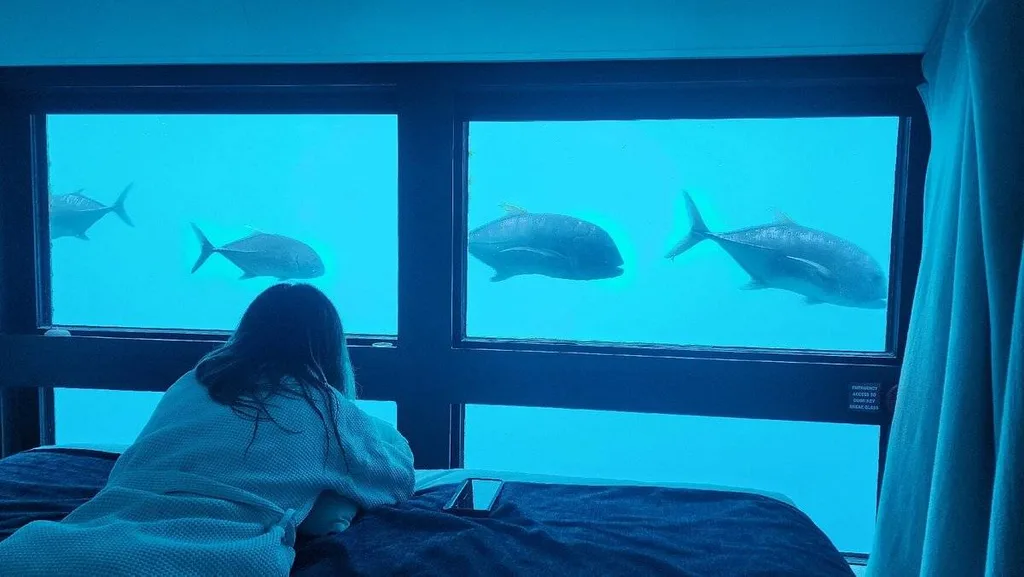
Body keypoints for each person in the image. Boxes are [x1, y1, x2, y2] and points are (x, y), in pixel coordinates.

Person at [0, 282, 416, 576]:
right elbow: (397, 474)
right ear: (329, 347)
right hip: (208, 558)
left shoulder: (197, 380)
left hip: (47, 551)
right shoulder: (324, 408)